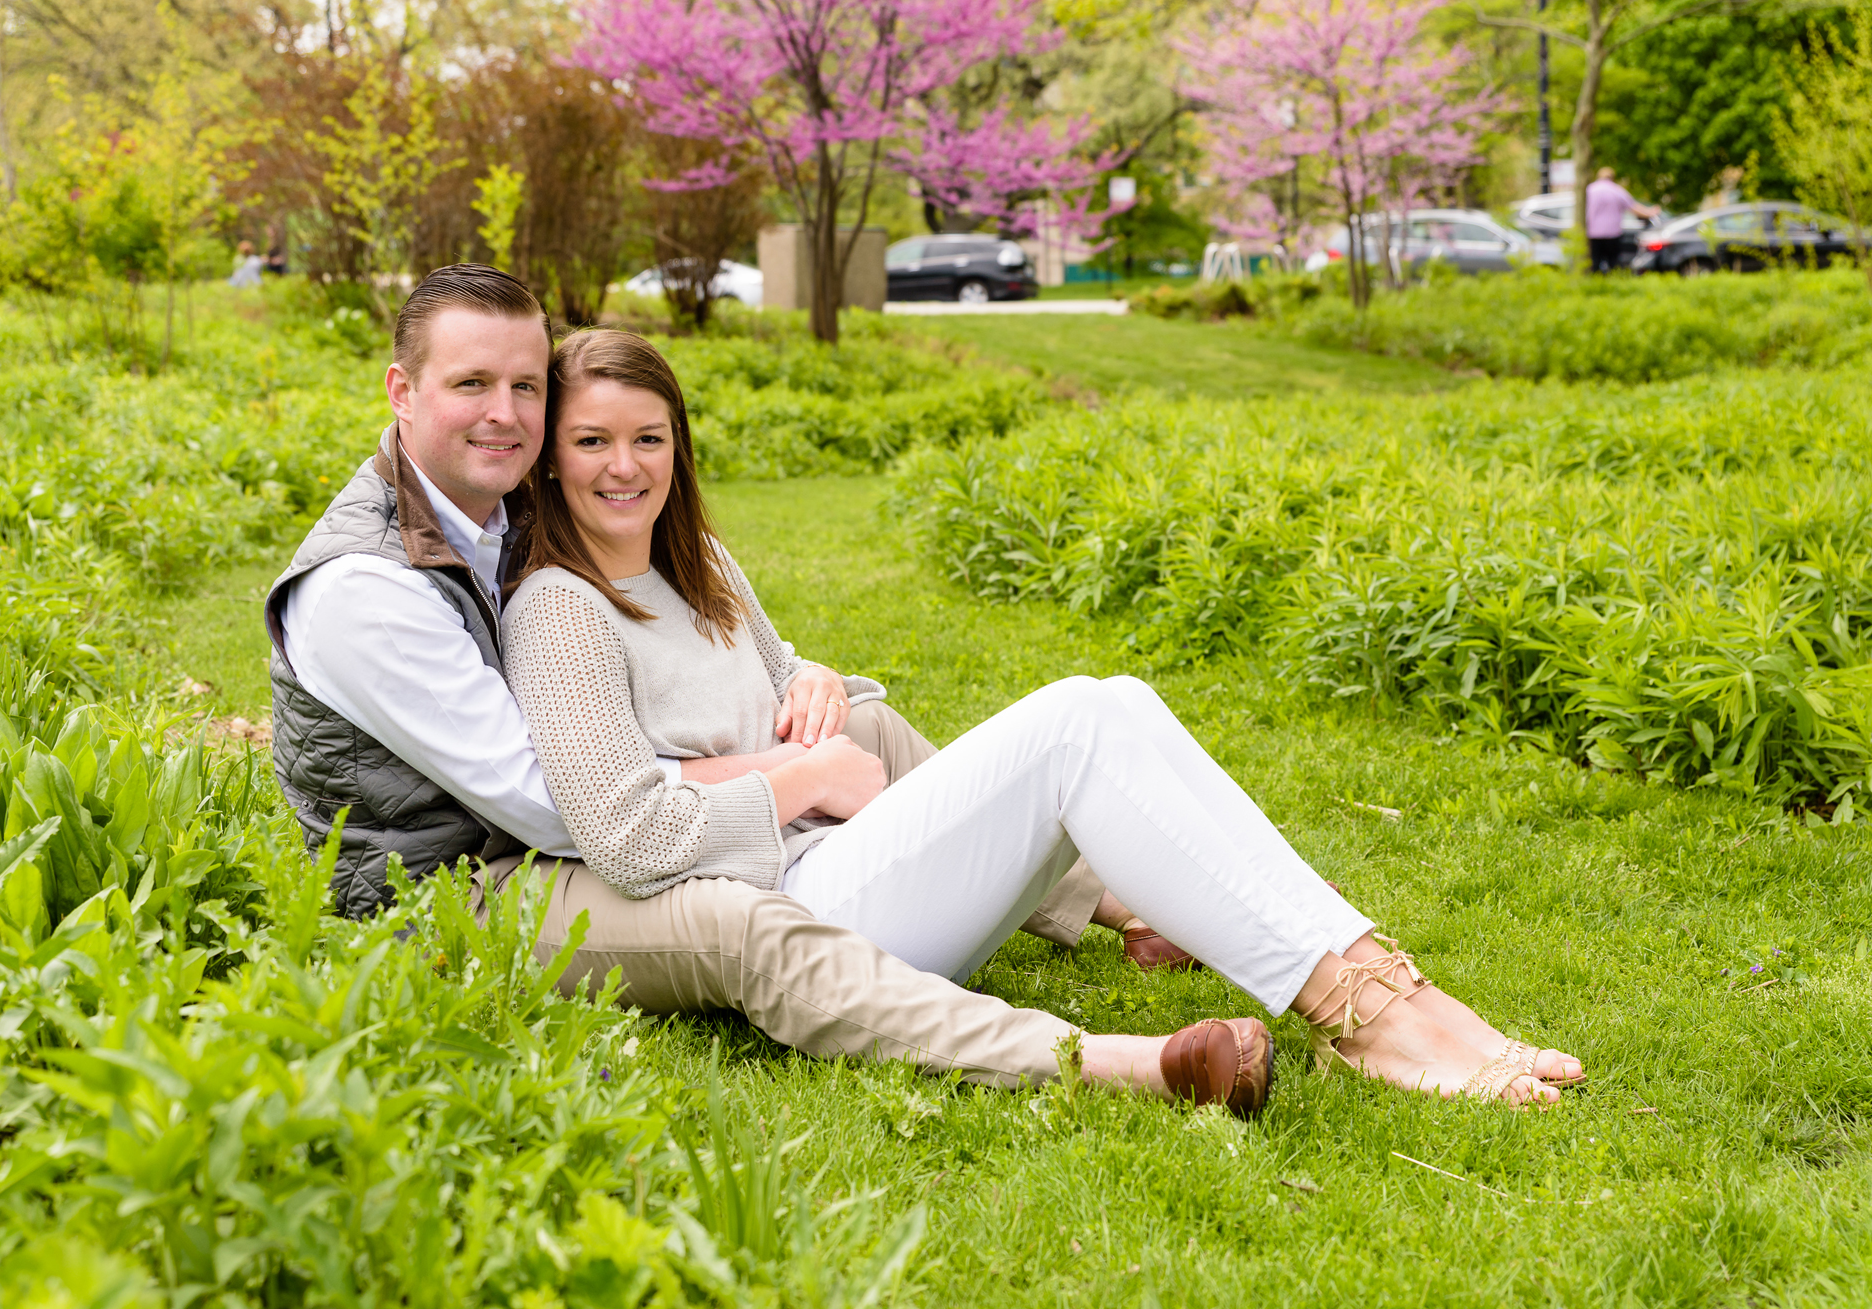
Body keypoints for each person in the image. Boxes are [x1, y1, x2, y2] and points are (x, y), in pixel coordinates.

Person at [500, 324, 1590, 1113]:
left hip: (844, 864)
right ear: (552, 455)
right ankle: (1374, 1019)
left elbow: (817, 698)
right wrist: (800, 779)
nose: (623, 466)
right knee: (1079, 719)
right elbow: (622, 835)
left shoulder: (706, 568)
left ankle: (1382, 992)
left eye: (647, 438)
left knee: (1111, 704)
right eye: (592, 442)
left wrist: (815, 683)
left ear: (678, 444)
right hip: (790, 905)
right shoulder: (559, 610)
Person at [265, 264, 1272, 1116]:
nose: (505, 413)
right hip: (451, 894)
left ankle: (1111, 906)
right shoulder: (364, 591)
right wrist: (793, 778)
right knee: (735, 922)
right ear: (402, 392)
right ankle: (1112, 1062)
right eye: (470, 383)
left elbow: (700, 662)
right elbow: (557, 803)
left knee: (866, 729)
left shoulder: (509, 512)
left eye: (526, 387)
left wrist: (816, 707)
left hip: (549, 831)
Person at [1585, 168, 1659, 272]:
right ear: (1612, 177)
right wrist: (1650, 212)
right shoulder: (1617, 190)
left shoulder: (1590, 190)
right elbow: (1633, 207)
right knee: (1613, 263)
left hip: (1593, 233)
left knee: (1594, 262)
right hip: (1612, 233)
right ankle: (1614, 284)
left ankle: (1595, 284)